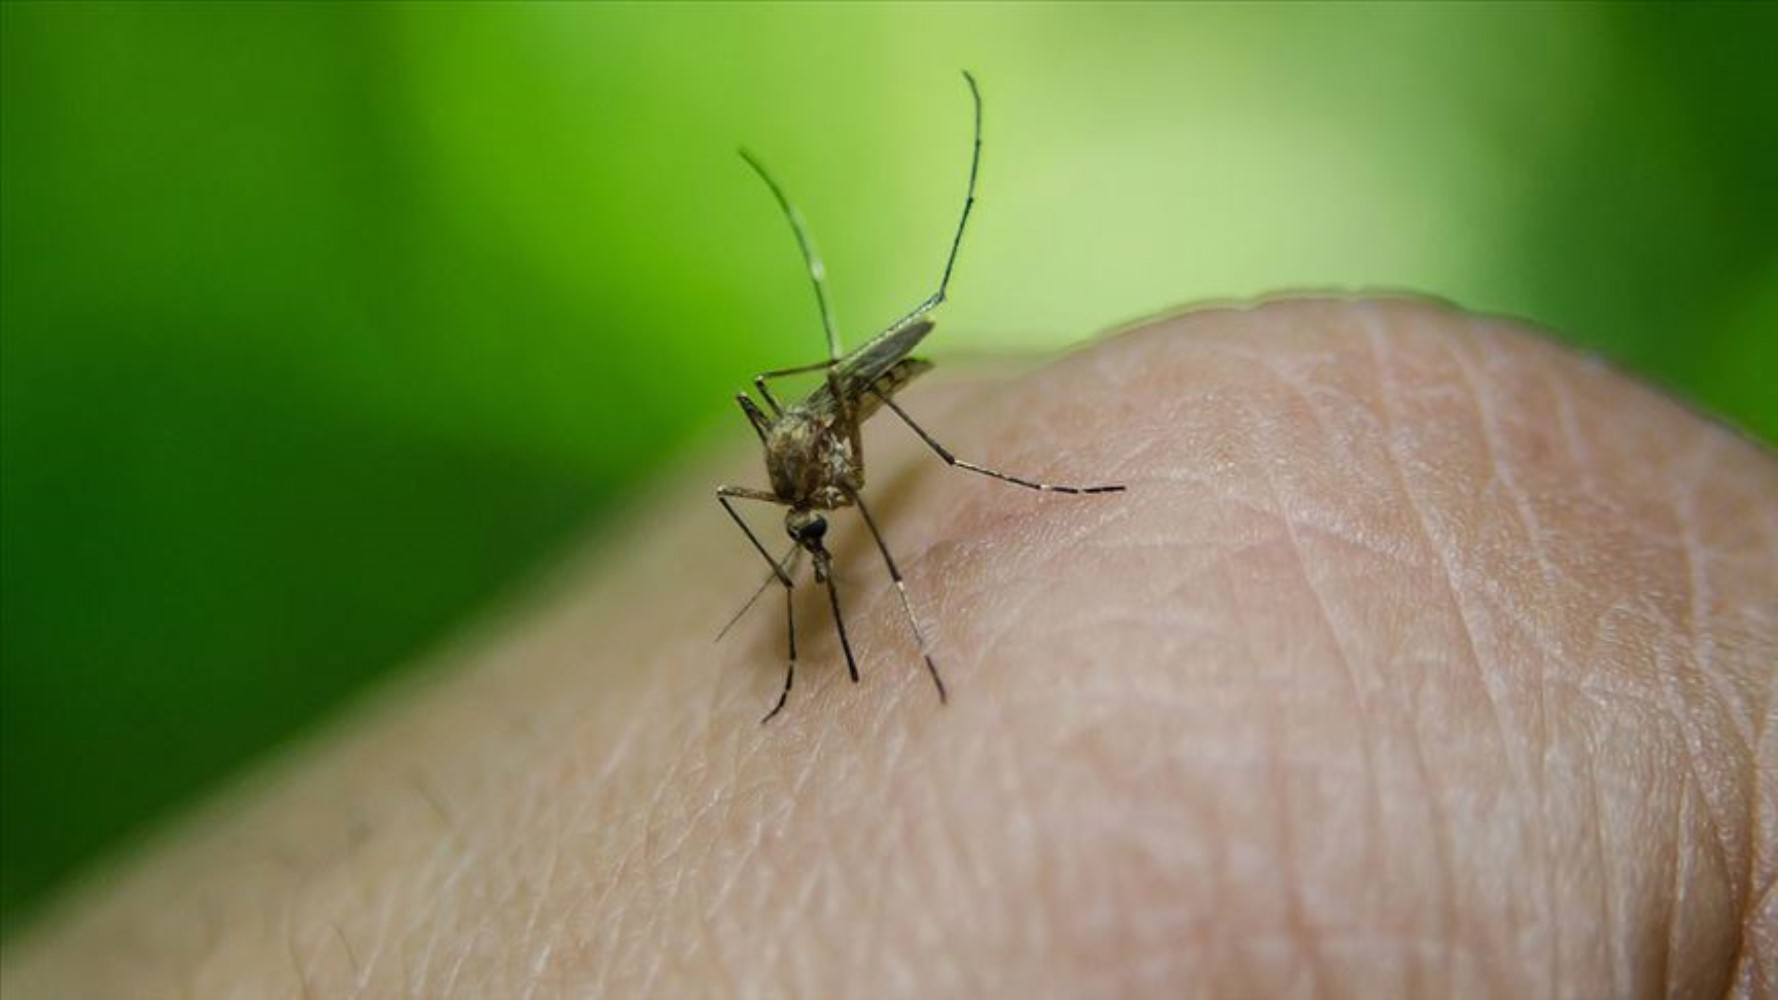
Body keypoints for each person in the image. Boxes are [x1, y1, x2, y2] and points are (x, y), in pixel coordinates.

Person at [3, 298, 1771, 996]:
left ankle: (985, 478)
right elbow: (774, 489)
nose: (805, 511)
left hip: (860, 396)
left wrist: (877, 504)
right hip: (814, 432)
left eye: (810, 500)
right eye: (801, 508)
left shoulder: (840, 445)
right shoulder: (781, 496)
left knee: (883, 454)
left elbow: (830, 448)